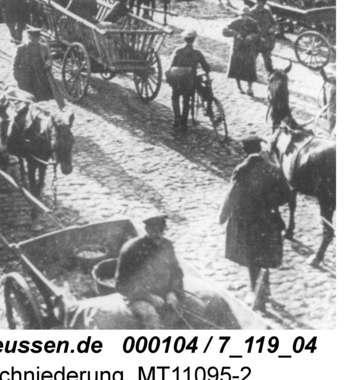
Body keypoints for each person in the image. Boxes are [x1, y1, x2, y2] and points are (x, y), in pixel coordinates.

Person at [70, 214, 239, 330]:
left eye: (161, 230)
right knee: (151, 318)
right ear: (147, 229)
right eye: (154, 230)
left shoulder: (167, 246)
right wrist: (148, 297)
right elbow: (122, 285)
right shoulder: (131, 249)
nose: (158, 235)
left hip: (166, 294)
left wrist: (173, 292)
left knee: (197, 307)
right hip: (139, 298)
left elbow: (177, 273)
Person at [219, 135, 292, 309]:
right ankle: (265, 293)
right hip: (269, 220)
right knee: (265, 256)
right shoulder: (273, 168)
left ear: (245, 150)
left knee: (253, 259)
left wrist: (223, 216)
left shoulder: (242, 169)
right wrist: (269, 202)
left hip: (248, 221)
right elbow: (286, 195)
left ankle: (258, 297)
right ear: (259, 149)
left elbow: (232, 195)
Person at [165, 29, 211, 132]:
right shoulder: (197, 53)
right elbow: (206, 66)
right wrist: (207, 69)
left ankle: (177, 118)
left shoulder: (178, 50)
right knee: (187, 100)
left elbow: (171, 65)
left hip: (177, 78)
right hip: (189, 79)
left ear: (184, 39)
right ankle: (184, 123)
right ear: (193, 40)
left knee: (175, 97)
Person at [222, 8, 260, 96]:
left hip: (249, 47)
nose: (244, 17)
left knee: (250, 68)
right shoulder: (235, 22)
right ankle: (239, 86)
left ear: (249, 15)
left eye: (246, 15)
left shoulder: (253, 23)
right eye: (243, 15)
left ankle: (250, 88)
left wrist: (251, 36)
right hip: (237, 47)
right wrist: (235, 33)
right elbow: (224, 30)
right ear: (240, 15)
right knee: (236, 67)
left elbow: (259, 33)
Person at [13, 27, 55, 102]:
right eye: (33, 38)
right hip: (27, 77)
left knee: (41, 97)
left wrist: (48, 63)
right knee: (28, 97)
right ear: (29, 37)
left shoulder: (44, 47)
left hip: (40, 76)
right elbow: (15, 64)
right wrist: (18, 76)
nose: (35, 40)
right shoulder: (22, 48)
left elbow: (49, 58)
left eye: (37, 38)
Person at [249, 0, 276, 75]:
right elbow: (248, 28)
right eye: (261, 4)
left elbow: (274, 23)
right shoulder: (251, 13)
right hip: (256, 40)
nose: (262, 6)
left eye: (264, 4)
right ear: (256, 2)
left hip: (266, 40)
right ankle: (249, 74)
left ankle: (270, 73)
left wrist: (272, 29)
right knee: (252, 58)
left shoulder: (267, 11)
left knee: (267, 58)